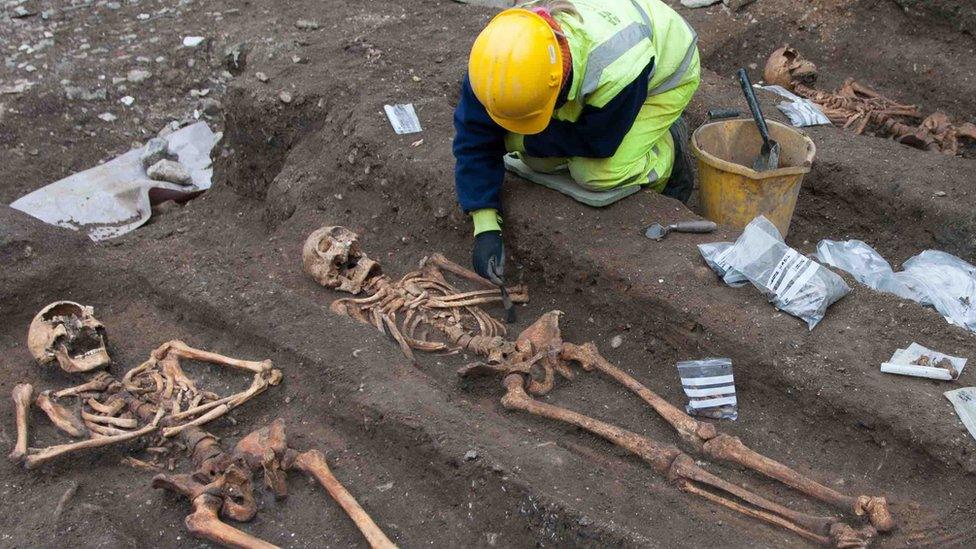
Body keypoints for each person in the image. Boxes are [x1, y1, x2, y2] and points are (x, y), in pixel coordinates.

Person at [453, 0, 701, 281]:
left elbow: (598, 141)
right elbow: (474, 139)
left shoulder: (615, 68)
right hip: (600, 67)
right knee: (537, 162)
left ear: (556, 84)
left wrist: (518, 142)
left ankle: (668, 149)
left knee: (597, 173)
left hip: (664, 73)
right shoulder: (497, 64)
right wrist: (485, 225)